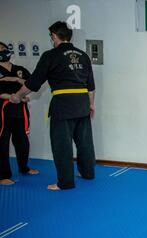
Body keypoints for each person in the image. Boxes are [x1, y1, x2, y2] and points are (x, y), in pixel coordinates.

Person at [11, 21, 96, 190]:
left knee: (61, 145)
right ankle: (87, 173)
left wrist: (17, 96)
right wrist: (91, 104)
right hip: (82, 104)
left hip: (63, 105)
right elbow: (91, 85)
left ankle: (65, 182)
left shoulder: (51, 55)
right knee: (85, 142)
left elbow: (34, 82)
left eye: (51, 36)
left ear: (54, 36)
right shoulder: (83, 55)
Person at [0, 41, 39, 185]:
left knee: (22, 141)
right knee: (2, 143)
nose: (4, 51)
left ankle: (24, 168)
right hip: (3, 110)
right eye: (0, 50)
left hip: (19, 111)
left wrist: (15, 79)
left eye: (4, 49)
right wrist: (10, 97)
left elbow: (31, 83)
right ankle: (3, 175)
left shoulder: (19, 69)